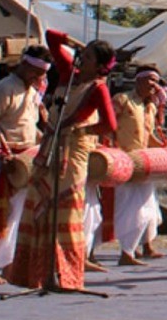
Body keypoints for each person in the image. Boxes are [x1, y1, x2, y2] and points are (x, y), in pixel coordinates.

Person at [7, 30, 116, 291]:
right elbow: (51, 37)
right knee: (39, 206)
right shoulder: (69, 75)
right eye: (83, 54)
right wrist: (76, 44)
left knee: (65, 211)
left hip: (73, 149)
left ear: (100, 66)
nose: (81, 59)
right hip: (50, 146)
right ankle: (36, 274)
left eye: (87, 57)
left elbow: (109, 125)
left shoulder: (98, 89)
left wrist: (83, 130)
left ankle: (67, 276)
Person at [0, 45, 51, 285]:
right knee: (4, 214)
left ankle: (9, 265)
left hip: (28, 155)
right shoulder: (3, 88)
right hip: (7, 157)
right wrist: (2, 153)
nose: (39, 78)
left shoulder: (33, 92)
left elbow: (30, 127)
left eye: (41, 75)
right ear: (25, 65)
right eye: (36, 72)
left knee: (22, 216)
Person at [112, 66, 167, 266]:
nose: (155, 85)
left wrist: (162, 147)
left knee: (149, 206)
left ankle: (147, 246)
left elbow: (148, 135)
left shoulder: (151, 107)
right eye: (151, 80)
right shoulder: (122, 100)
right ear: (138, 81)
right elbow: (108, 126)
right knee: (130, 207)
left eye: (157, 81)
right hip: (125, 162)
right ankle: (126, 253)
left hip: (144, 163)